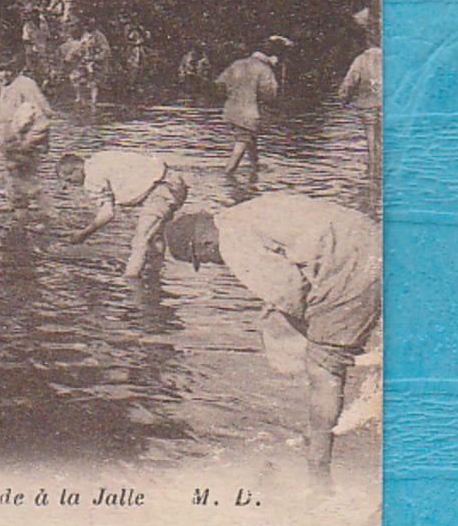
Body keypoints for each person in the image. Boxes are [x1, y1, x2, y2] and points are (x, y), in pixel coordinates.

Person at [163, 195, 381, 481]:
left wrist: (298, 332)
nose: (212, 263)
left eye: (202, 261)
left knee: (324, 365)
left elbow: (290, 291)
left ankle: (318, 461)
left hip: (350, 264)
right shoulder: (241, 213)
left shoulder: (231, 244)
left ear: (202, 244)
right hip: (371, 234)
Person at [58, 150, 189, 278]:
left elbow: (107, 214)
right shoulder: (100, 157)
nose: (71, 185)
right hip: (174, 182)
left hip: (160, 190)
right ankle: (154, 276)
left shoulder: (91, 177)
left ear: (77, 169)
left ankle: (130, 282)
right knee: (154, 238)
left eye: (69, 179)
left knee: (140, 241)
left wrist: (83, 234)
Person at [0, 61, 52, 212]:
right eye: (1, 70)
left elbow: (43, 111)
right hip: (9, 137)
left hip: (26, 137)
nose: (5, 74)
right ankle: (16, 204)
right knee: (11, 171)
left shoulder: (25, 84)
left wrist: (33, 139)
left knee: (28, 175)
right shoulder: (0, 84)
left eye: (8, 70)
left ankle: (45, 212)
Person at [216, 41, 281, 175]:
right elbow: (270, 94)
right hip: (250, 111)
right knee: (243, 139)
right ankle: (228, 172)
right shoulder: (265, 69)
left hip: (231, 109)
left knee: (250, 138)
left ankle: (254, 168)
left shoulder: (237, 64)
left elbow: (220, 83)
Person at [339, 36, 383, 183]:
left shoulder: (361, 59)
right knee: (383, 137)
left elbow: (349, 82)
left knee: (371, 138)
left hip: (367, 103)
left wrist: (344, 99)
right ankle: (381, 174)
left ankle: (372, 172)